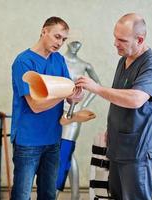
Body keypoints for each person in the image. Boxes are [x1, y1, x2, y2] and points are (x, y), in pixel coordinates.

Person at [76, 13, 152, 200]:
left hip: (137, 151)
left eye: (122, 40)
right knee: (116, 196)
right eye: (115, 37)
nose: (115, 43)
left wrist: (97, 88)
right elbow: (119, 98)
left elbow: (135, 99)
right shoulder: (123, 60)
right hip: (118, 146)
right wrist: (111, 129)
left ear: (140, 39)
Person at [10, 16, 83, 200]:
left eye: (64, 39)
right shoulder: (23, 62)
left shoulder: (58, 60)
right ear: (44, 31)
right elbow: (35, 106)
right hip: (28, 142)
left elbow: (68, 96)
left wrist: (74, 97)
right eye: (57, 37)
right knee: (21, 195)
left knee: (49, 195)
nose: (60, 43)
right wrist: (64, 95)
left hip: (53, 141)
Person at [56, 41, 100, 199]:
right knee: (65, 153)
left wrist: (83, 106)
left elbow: (97, 86)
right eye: (74, 42)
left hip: (73, 113)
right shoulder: (58, 59)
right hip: (56, 110)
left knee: (65, 150)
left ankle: (54, 191)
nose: (77, 46)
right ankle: (75, 195)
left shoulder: (84, 65)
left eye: (80, 43)